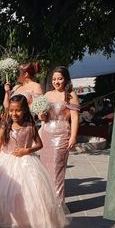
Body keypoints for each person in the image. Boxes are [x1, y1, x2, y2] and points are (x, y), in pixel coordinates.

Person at [0, 94, 67, 228]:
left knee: (22, 196)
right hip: (6, 163)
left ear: (24, 110)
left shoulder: (30, 126)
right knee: (1, 194)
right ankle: (1, 219)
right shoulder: (6, 125)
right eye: (11, 110)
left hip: (25, 164)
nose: (14, 114)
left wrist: (27, 151)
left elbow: (39, 144)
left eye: (17, 110)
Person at [39, 66, 80, 205]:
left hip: (62, 134)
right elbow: (44, 118)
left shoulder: (71, 95)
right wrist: (41, 115)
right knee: (45, 169)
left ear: (66, 79)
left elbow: (74, 118)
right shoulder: (47, 95)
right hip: (46, 134)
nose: (56, 82)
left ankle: (57, 207)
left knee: (57, 170)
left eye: (60, 79)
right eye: (54, 79)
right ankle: (46, 203)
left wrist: (73, 137)